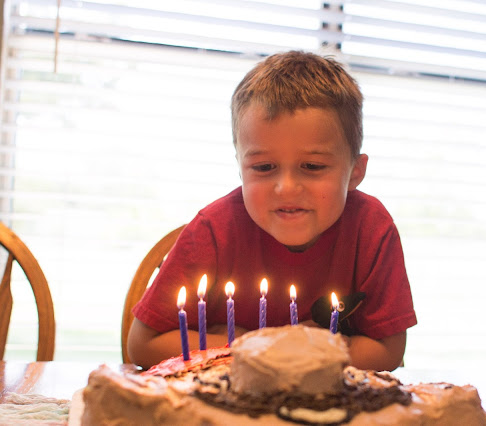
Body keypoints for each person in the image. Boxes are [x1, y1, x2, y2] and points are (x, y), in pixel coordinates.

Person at [128, 50, 417, 370]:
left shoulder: (371, 229)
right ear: (240, 168)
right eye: (264, 167)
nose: (286, 188)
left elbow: (388, 350)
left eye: (312, 166)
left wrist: (294, 352)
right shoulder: (213, 231)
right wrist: (252, 346)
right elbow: (143, 344)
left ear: (355, 172)